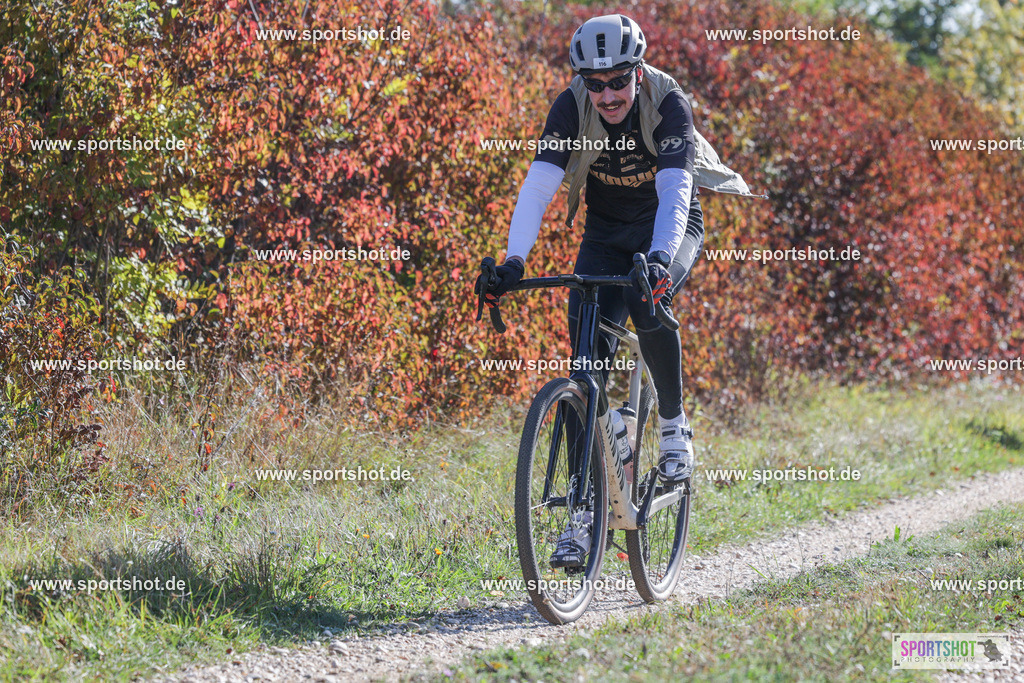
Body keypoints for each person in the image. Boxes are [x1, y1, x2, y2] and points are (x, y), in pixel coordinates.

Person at [480, 14, 756, 567]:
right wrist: (514, 261)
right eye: (594, 82)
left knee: (643, 298)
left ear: (637, 72)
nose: (606, 94)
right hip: (605, 234)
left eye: (618, 81)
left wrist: (657, 261)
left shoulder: (667, 102)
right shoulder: (570, 106)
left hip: (667, 228)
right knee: (585, 361)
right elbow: (538, 186)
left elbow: (677, 193)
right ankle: (586, 515)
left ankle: (674, 428)